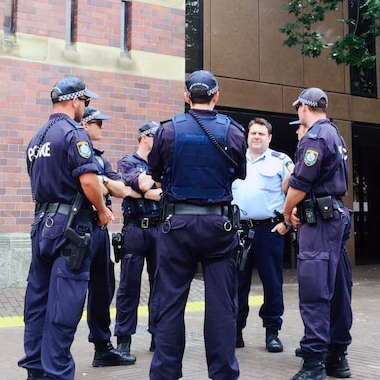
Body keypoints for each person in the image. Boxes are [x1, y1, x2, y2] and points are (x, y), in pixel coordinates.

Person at [147, 70, 247, 380]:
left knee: (170, 302)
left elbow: (155, 172)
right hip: (219, 225)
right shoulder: (233, 132)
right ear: (216, 96)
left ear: (188, 97)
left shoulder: (167, 131)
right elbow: (239, 172)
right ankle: (223, 374)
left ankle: (165, 373)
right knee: (221, 306)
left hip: (176, 225)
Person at [19, 77, 113, 380]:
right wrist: (102, 210)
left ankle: (35, 369)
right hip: (70, 229)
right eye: (84, 102)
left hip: (41, 226)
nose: (84, 108)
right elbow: (88, 181)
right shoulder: (74, 133)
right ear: (75, 101)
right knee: (65, 305)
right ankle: (57, 373)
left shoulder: (37, 138)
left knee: (38, 303)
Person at [282, 88, 353, 380]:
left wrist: (287, 212)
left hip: (320, 223)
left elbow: (299, 183)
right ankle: (337, 356)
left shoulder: (315, 136)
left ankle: (314, 363)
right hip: (333, 216)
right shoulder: (335, 134)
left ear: (303, 108)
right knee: (337, 289)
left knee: (314, 291)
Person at [79, 106, 138, 367]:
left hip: (101, 229)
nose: (101, 128)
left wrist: (100, 179)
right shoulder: (76, 151)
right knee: (73, 290)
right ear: (86, 125)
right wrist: (103, 184)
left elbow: (122, 189)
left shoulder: (100, 158)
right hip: (81, 229)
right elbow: (86, 185)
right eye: (98, 124)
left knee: (103, 290)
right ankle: (56, 351)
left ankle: (102, 347)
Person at [232, 117, 293, 352]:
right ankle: (235, 331)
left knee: (272, 283)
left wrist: (287, 223)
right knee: (237, 283)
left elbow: (295, 191)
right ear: (248, 136)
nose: (256, 137)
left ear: (269, 138)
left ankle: (272, 333)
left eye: (261, 133)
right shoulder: (236, 159)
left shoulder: (281, 161)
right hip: (239, 231)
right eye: (253, 133)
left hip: (269, 230)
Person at [114, 120, 164, 356]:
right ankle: (123, 340)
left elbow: (165, 195)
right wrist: (143, 188)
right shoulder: (127, 162)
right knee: (128, 286)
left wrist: (139, 191)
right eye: (156, 137)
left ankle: (158, 336)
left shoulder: (163, 163)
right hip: (134, 229)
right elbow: (139, 185)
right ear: (145, 137)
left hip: (159, 229)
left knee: (160, 285)